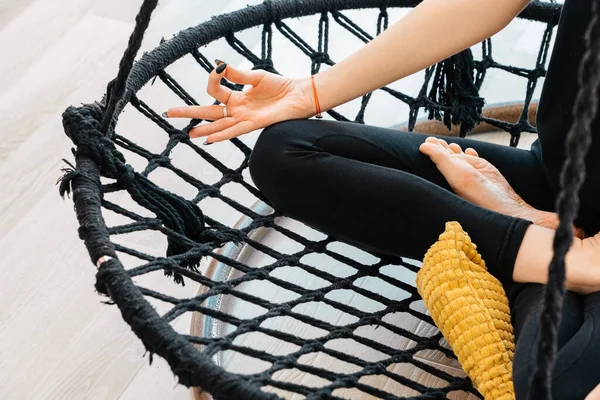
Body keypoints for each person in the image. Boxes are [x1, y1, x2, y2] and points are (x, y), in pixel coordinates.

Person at [164, 0, 600, 397]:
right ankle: (547, 250)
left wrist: (517, 215)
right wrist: (311, 91)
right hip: (562, 180)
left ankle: (541, 250)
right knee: (286, 151)